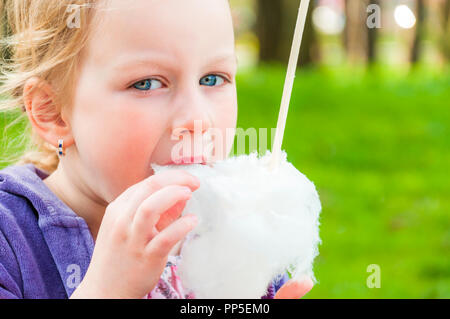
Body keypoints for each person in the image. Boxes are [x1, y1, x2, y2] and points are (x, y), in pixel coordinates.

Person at [0, 0, 314, 299]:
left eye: (213, 78)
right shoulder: (9, 239)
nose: (197, 119)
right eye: (147, 83)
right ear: (52, 111)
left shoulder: (238, 233)